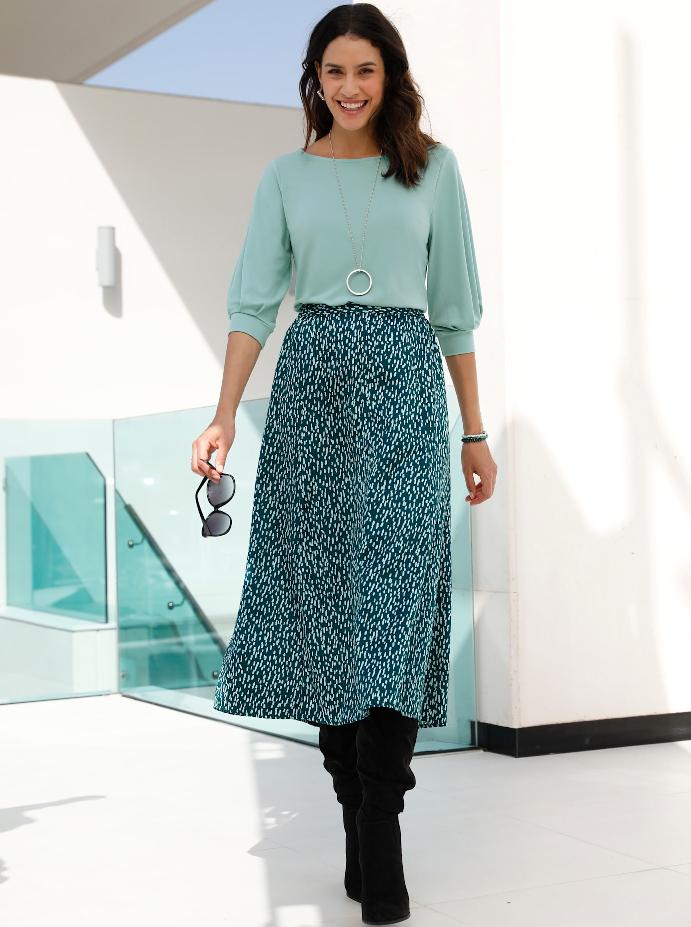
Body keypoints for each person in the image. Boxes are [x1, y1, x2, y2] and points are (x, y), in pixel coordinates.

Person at [192, 4, 497, 924]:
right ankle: (352, 806)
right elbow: (252, 305)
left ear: (389, 75)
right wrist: (222, 416)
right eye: (334, 71)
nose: (350, 87)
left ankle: (380, 823)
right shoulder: (284, 177)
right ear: (314, 80)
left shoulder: (434, 169)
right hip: (310, 398)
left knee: (394, 615)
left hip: (407, 397)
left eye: (365, 70)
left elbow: (455, 309)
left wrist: (473, 432)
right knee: (324, 618)